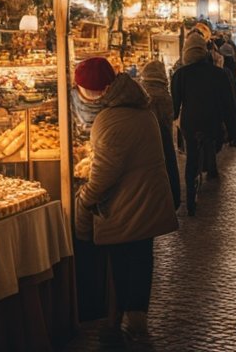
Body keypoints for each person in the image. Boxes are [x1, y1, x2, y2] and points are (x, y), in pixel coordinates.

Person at [73, 57, 178, 342]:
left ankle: (123, 320)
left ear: (93, 90)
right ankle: (134, 318)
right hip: (147, 199)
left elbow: (105, 173)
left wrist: (85, 198)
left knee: (123, 260)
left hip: (127, 204)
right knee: (141, 258)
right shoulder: (139, 108)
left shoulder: (112, 119)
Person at [170, 32, 236, 216]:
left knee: (191, 156)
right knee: (210, 143)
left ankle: (190, 197)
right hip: (212, 121)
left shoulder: (180, 75)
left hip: (190, 123)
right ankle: (211, 168)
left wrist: (174, 117)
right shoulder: (218, 74)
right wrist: (232, 131)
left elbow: (175, 105)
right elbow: (228, 104)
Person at [139, 60, 180, 210]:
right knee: (169, 168)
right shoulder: (165, 94)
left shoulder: (144, 94)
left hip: (149, 140)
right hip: (166, 137)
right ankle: (172, 200)